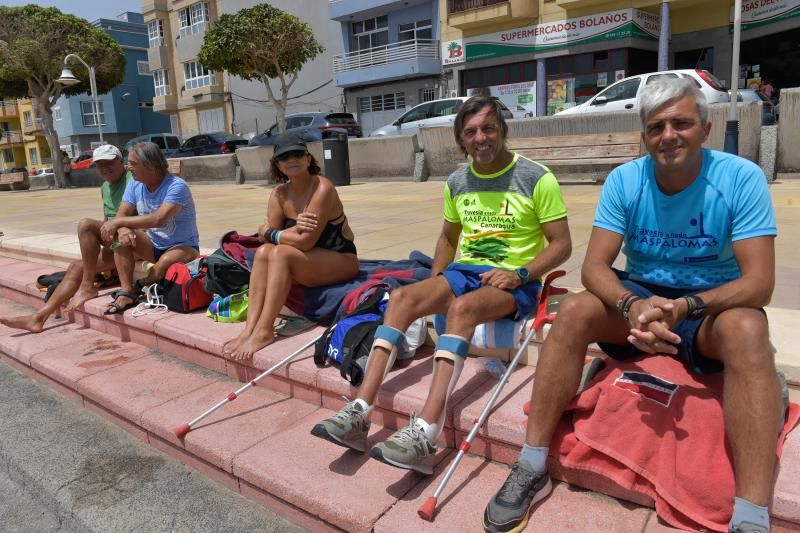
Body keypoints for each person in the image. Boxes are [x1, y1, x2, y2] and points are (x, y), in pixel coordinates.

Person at [483, 78, 780, 533]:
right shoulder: (626, 180)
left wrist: (685, 307)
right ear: (644, 136)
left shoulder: (740, 178)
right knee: (578, 310)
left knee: (748, 330)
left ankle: (751, 516)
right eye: (656, 126)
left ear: (705, 126)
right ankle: (532, 462)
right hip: (640, 296)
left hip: (706, 309)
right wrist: (632, 305)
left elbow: (759, 283)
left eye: (681, 123)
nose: (668, 135)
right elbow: (595, 267)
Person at [310, 95, 572, 475]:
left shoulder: (536, 178)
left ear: (502, 130)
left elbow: (562, 244)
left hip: (515, 278)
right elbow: (448, 238)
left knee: (462, 309)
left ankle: (426, 433)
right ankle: (360, 410)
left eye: (488, 128)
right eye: (471, 132)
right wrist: (436, 281)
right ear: (460, 139)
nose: (480, 137)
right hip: (464, 270)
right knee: (401, 297)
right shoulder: (457, 181)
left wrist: (521, 274)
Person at [222, 132, 360, 360]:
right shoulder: (279, 193)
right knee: (266, 252)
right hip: (309, 260)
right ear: (277, 164)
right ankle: (249, 328)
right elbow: (264, 240)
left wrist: (271, 232)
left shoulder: (322, 188)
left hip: (341, 259)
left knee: (281, 254)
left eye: (297, 154)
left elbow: (305, 241)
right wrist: (285, 232)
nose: (292, 160)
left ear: (308, 159)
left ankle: (265, 330)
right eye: (285, 157)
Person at [0, 144, 132, 332]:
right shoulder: (104, 187)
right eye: (100, 164)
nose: (105, 168)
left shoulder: (133, 180)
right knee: (76, 265)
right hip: (114, 244)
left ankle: (86, 286)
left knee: (85, 224)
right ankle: (39, 318)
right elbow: (106, 221)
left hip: (132, 242)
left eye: (109, 162)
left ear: (121, 161)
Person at [100, 141, 199, 315]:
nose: (128, 167)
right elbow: (122, 213)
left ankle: (141, 285)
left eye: (133, 163)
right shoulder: (135, 184)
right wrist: (122, 229)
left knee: (166, 261)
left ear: (150, 166)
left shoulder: (177, 186)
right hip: (153, 245)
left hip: (183, 246)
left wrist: (118, 223)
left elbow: (157, 219)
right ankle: (127, 291)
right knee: (119, 238)